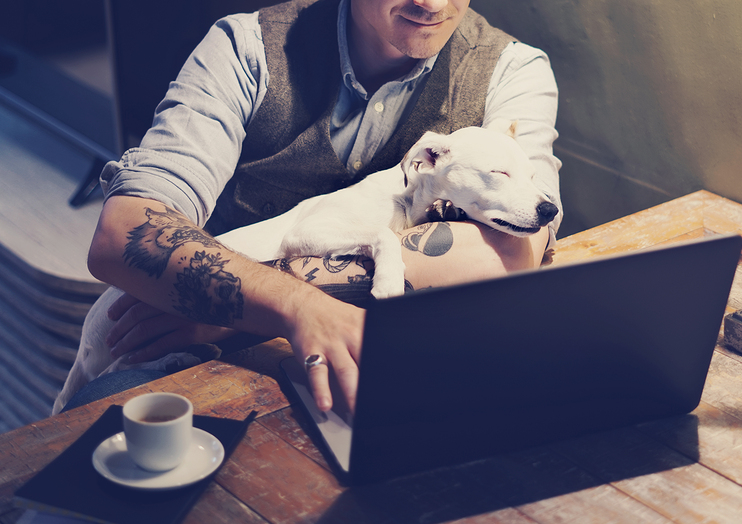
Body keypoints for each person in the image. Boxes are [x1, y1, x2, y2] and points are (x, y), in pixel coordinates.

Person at [75, 0, 562, 414]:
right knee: (103, 420)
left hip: (298, 329)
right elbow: (123, 235)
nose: (432, 4)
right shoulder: (246, 47)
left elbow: (514, 251)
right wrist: (291, 308)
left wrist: (231, 304)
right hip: (202, 352)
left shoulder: (511, 71)